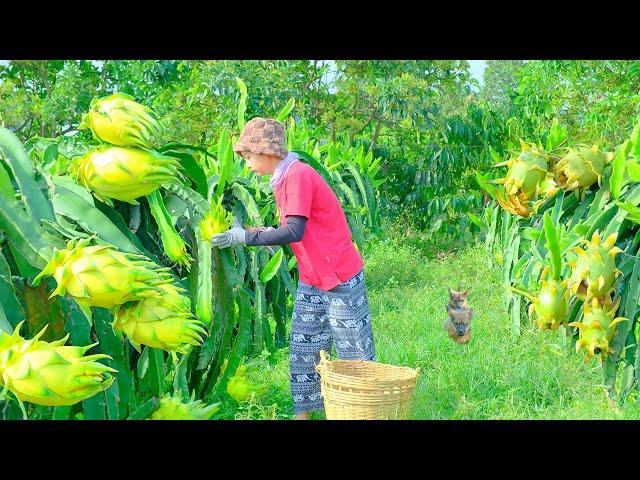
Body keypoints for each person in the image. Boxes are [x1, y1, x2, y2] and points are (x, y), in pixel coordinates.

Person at [211, 117, 376, 420]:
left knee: (353, 354)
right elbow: (291, 227)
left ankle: (362, 413)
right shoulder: (283, 178)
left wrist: (247, 237)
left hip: (339, 274)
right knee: (304, 349)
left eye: (248, 156)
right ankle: (303, 417)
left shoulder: (298, 175)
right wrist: (251, 232)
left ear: (266, 151)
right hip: (314, 276)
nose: (247, 164)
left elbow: (295, 231)